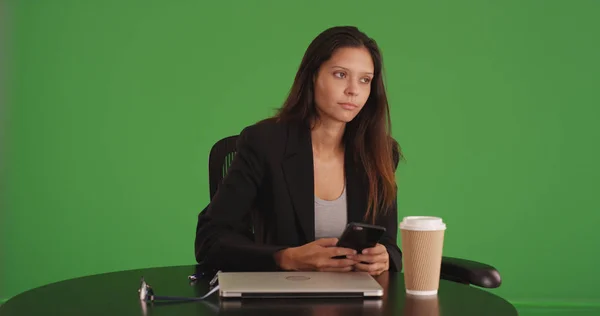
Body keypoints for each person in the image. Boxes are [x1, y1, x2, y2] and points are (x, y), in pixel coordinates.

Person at [194, 26, 403, 276]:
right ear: (312, 76)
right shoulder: (265, 143)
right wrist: (286, 258)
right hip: (281, 298)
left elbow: (389, 244)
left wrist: (385, 257)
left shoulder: (380, 151)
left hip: (357, 300)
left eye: (364, 80)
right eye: (340, 75)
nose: (353, 90)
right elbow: (209, 238)